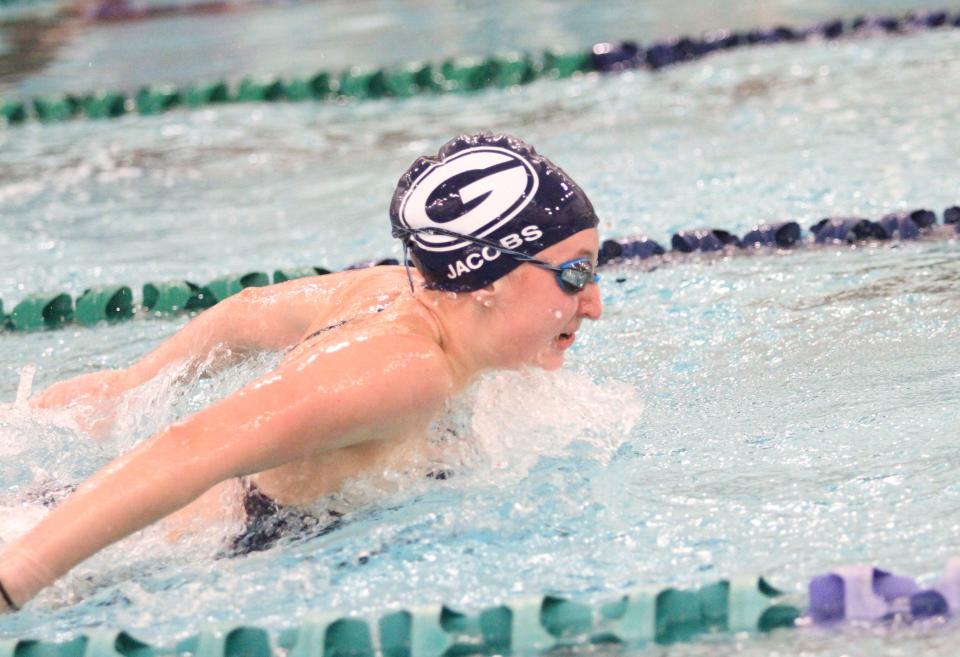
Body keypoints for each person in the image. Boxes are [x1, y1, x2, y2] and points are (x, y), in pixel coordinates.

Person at [0, 132, 603, 613]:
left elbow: (246, 312)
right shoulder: (402, 368)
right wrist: (18, 577)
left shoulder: (394, 292)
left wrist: (134, 383)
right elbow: (195, 445)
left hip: (67, 516)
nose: (595, 303)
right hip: (116, 556)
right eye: (575, 274)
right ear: (489, 280)